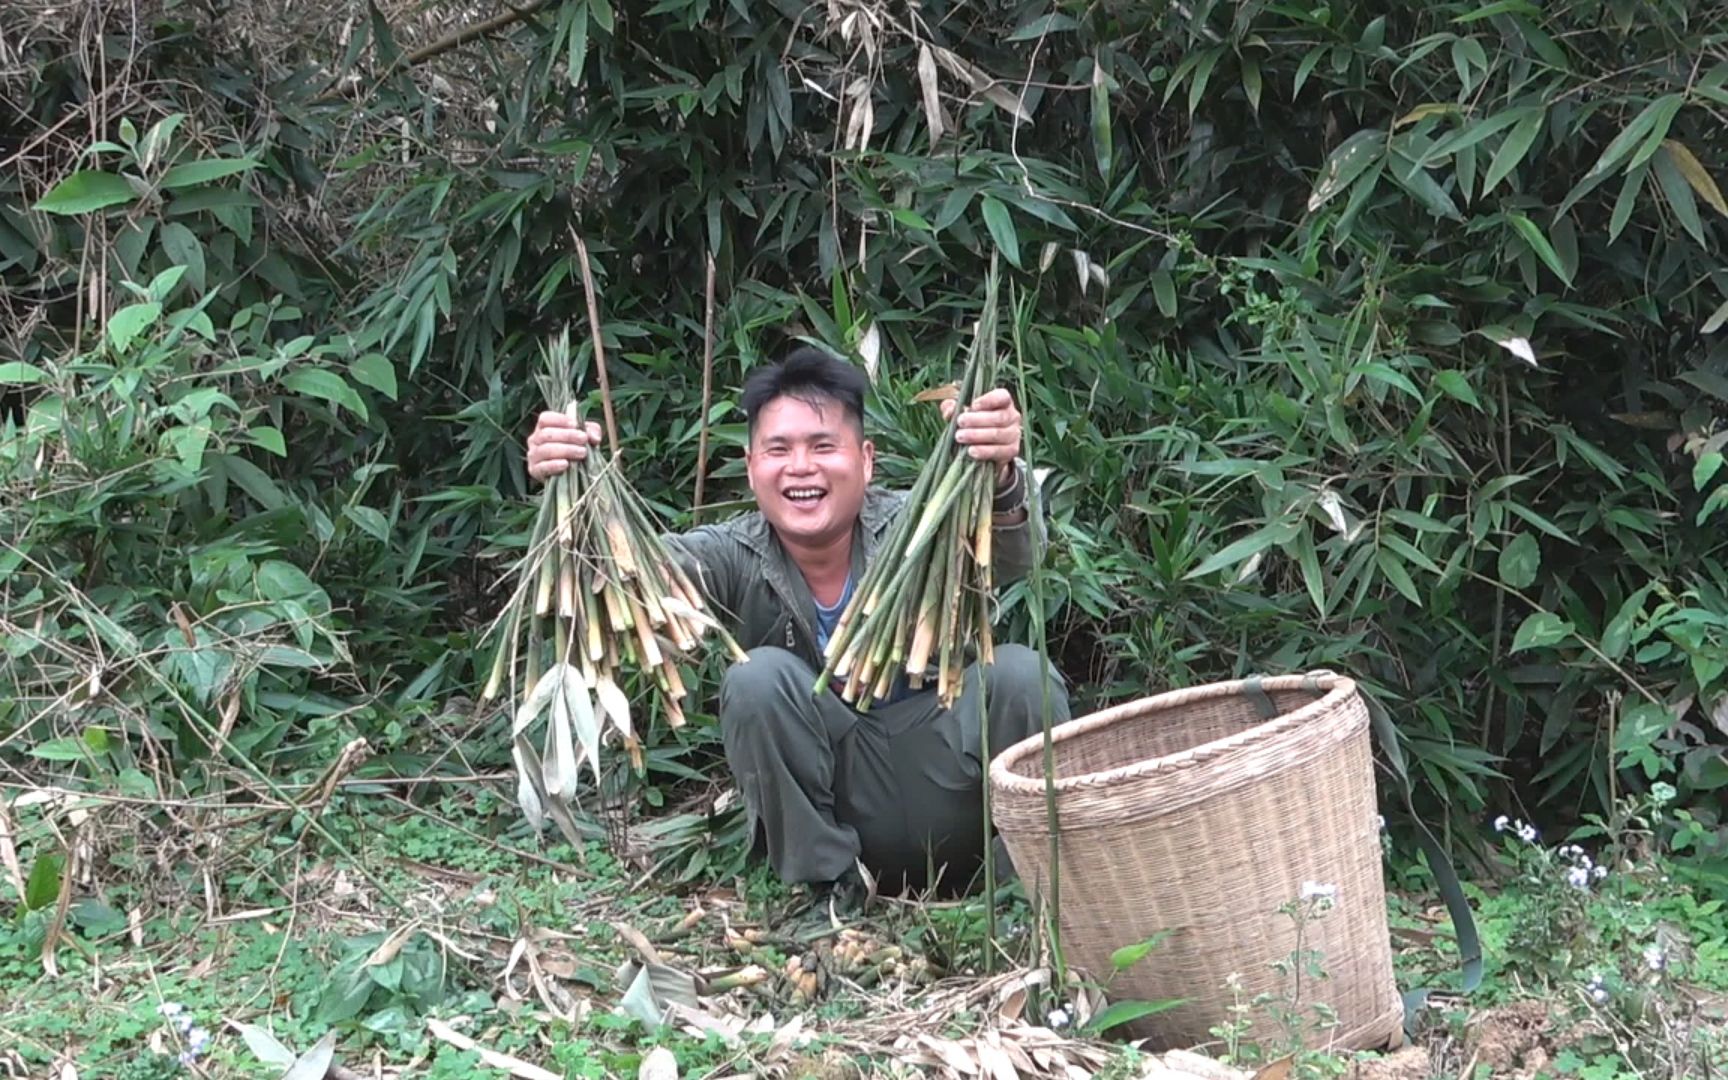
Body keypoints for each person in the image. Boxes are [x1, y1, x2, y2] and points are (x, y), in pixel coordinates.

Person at [525, 346, 1071, 908]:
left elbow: (1013, 554)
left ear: (866, 459)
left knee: (1019, 675)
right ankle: (830, 889)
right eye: (778, 449)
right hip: (843, 807)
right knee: (756, 678)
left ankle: (1029, 889)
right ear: (751, 465)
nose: (801, 466)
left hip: (949, 783)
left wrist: (1000, 470)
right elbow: (633, 578)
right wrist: (576, 497)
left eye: (822, 445)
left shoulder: (922, 521)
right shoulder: (733, 552)